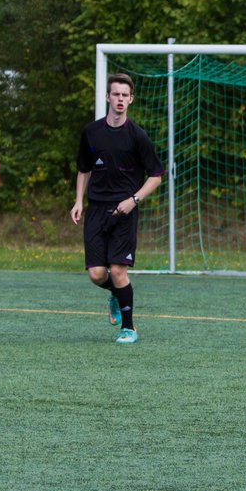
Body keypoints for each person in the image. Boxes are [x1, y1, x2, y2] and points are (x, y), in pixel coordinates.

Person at [70, 73, 165, 344]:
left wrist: (133, 200)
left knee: (118, 270)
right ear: (107, 97)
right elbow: (83, 168)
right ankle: (115, 293)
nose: (120, 99)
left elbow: (156, 175)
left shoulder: (138, 136)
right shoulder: (92, 132)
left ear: (131, 99)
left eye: (125, 95)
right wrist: (79, 201)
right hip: (96, 209)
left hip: (123, 210)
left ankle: (129, 328)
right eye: (116, 94)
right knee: (97, 275)